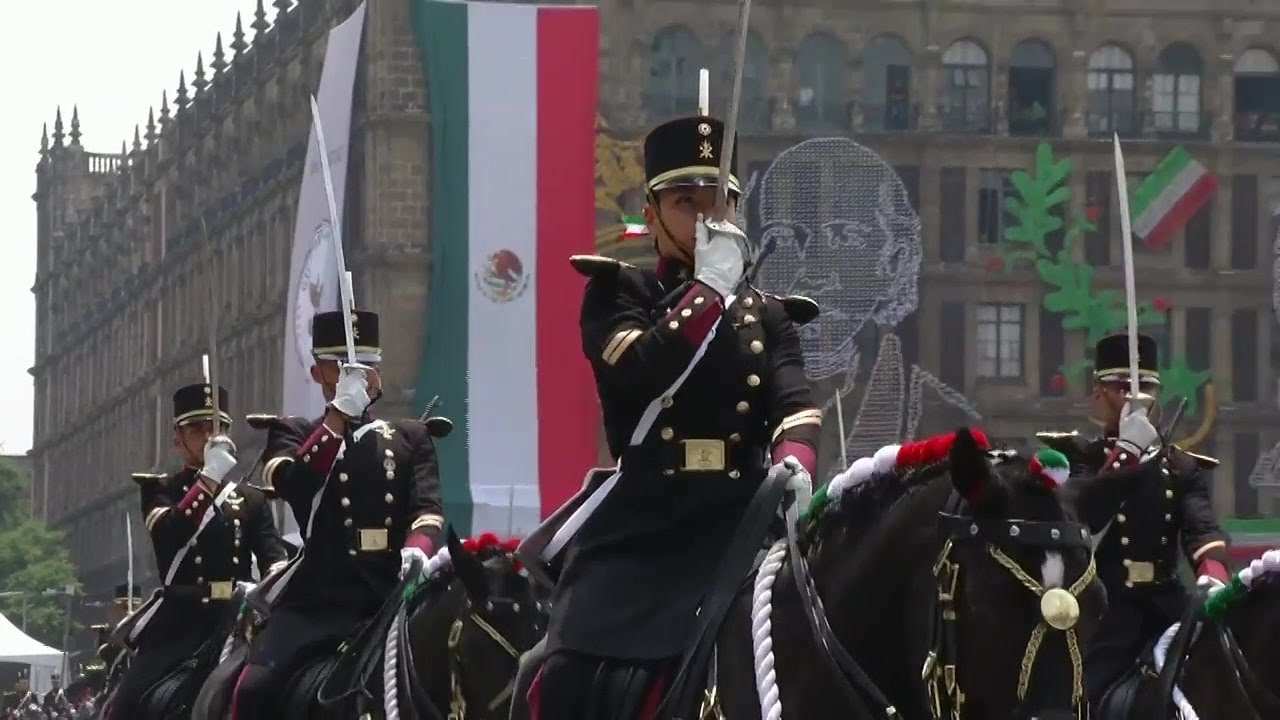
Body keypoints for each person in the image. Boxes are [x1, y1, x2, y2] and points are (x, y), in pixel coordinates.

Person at [517, 113, 821, 718]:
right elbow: (640, 373)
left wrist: (794, 462)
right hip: (642, 524)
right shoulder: (617, 293)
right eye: (688, 203)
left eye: (722, 204)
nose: (709, 220)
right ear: (651, 213)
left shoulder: (770, 316)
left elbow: (795, 403)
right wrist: (707, 290)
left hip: (741, 521)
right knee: (561, 673)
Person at [229, 309, 446, 719]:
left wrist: (417, 549)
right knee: (253, 689)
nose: (361, 375)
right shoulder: (292, 433)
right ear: (318, 375)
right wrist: (336, 419)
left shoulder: (410, 437)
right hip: (318, 602)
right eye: (345, 367)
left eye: (368, 365)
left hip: (387, 596)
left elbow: (427, 510)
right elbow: (293, 485)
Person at [1037, 332, 1230, 707]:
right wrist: (1127, 452)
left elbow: (1202, 529)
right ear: (1098, 394)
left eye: (1144, 388)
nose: (1133, 398)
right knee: (1080, 700)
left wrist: (1213, 576)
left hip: (1168, 608)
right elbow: (1083, 516)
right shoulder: (1078, 458)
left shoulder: (1180, 467)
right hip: (1106, 611)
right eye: (1120, 387)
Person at [104, 383, 289, 720]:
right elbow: (170, 534)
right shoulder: (162, 490)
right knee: (126, 704)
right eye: (196, 429)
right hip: (181, 622)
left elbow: (271, 555)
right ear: (178, 439)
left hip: (236, 619)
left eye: (215, 429)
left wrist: (277, 575)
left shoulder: (251, 499)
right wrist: (208, 479)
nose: (207, 437)